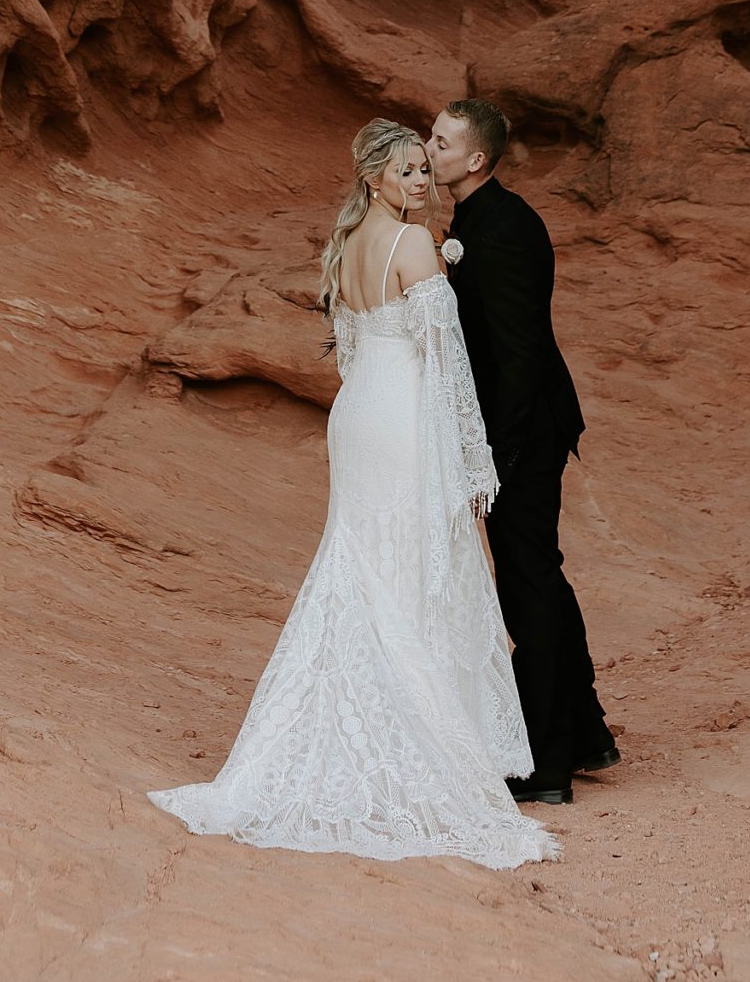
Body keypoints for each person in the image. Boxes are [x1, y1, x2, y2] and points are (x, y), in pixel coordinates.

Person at [148, 119, 558, 866]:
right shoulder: (413, 245)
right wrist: (470, 461)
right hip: (402, 417)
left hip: (359, 411)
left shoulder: (348, 247)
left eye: (422, 171)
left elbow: (354, 347)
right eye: (405, 171)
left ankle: (350, 719)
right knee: (410, 566)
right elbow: (449, 363)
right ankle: (415, 735)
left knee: (362, 559)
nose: (419, 181)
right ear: (374, 179)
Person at [423, 96, 615, 806]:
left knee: (526, 583)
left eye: (440, 142)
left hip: (523, 431)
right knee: (539, 574)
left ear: (474, 159)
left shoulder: (500, 229)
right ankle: (585, 731)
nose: (428, 148)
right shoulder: (478, 218)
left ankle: (548, 765)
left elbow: (519, 353)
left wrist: (496, 456)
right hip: (518, 427)